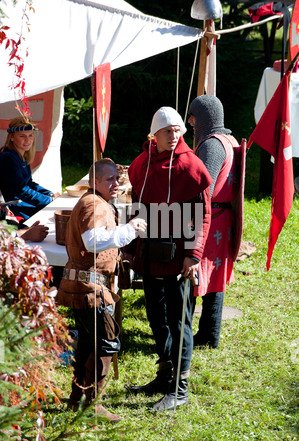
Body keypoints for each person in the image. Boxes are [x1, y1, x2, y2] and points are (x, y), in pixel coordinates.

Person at [125, 107, 212, 411]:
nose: (174, 136)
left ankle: (180, 388)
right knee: (156, 316)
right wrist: (130, 249)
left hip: (180, 259)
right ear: (154, 135)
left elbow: (201, 216)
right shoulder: (142, 164)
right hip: (150, 253)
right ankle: (165, 375)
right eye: (167, 131)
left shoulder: (191, 166)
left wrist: (193, 254)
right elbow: (135, 206)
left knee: (180, 321)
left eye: (177, 130)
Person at [56, 158, 146, 423]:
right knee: (105, 343)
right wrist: (128, 230)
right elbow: (92, 241)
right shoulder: (93, 204)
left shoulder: (96, 202)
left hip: (87, 287)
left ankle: (78, 399)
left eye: (117, 178)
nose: (115, 184)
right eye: (109, 179)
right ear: (93, 181)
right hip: (89, 288)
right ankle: (90, 404)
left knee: (88, 343)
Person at [188, 94, 239, 349]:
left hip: (212, 219)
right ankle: (209, 334)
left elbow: (202, 188)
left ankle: (200, 334)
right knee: (213, 277)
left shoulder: (212, 145)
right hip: (222, 217)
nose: (190, 122)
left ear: (203, 117)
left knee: (196, 274)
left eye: (192, 117)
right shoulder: (227, 139)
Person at [0, 117, 60, 222]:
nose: (28, 140)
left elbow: (29, 183)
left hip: (26, 202)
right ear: (12, 137)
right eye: (22, 136)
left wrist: (49, 193)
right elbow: (21, 190)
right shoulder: (8, 158)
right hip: (18, 207)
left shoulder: (22, 154)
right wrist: (49, 200)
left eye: (30, 135)